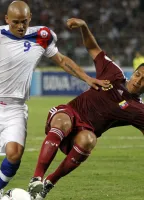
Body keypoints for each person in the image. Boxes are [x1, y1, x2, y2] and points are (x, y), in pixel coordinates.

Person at [0, 2, 110, 200]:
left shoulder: (42, 36)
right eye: (15, 22)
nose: (20, 26)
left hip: (15, 107)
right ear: (7, 20)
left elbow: (62, 60)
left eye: (24, 22)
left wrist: (87, 78)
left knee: (15, 155)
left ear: (30, 17)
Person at [28, 17, 144, 200]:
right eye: (138, 74)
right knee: (63, 121)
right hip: (69, 113)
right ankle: (36, 178)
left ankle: (48, 183)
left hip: (86, 130)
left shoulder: (138, 109)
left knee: (89, 140)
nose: (138, 80)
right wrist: (84, 26)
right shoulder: (114, 73)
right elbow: (93, 48)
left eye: (143, 80)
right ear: (134, 72)